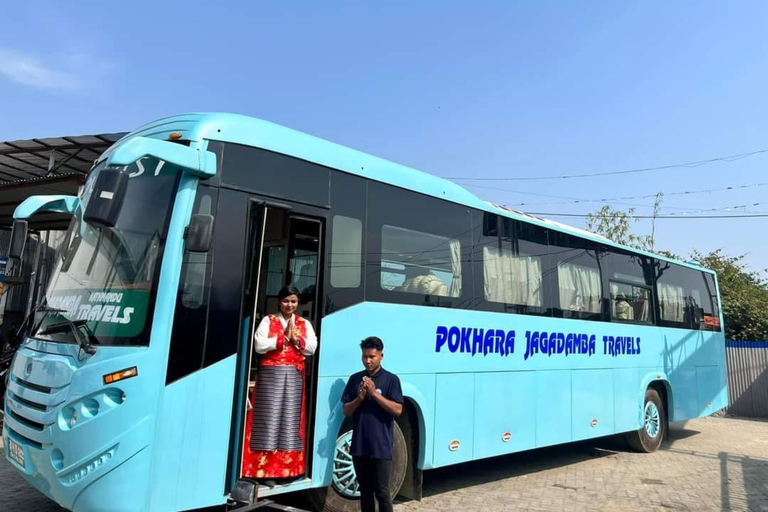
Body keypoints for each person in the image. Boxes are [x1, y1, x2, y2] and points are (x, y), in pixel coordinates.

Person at [242, 285, 317, 481]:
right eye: (286, 301)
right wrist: (283, 338)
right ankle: (263, 471)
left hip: (293, 375)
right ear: (279, 301)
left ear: (298, 302)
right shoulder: (268, 320)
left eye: (293, 301)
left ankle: (289, 471)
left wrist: (297, 339)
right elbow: (259, 345)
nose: (289, 305)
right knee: (268, 421)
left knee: (290, 422)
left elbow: (311, 348)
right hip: (270, 376)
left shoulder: (304, 323)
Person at [341, 336, 403, 512]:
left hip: (381, 446)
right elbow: (346, 410)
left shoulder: (391, 380)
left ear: (381, 356)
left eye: (372, 357)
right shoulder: (355, 379)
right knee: (365, 491)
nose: (367, 361)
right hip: (360, 446)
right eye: (364, 357)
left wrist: (374, 394)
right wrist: (359, 398)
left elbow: (397, 409)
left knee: (382, 492)